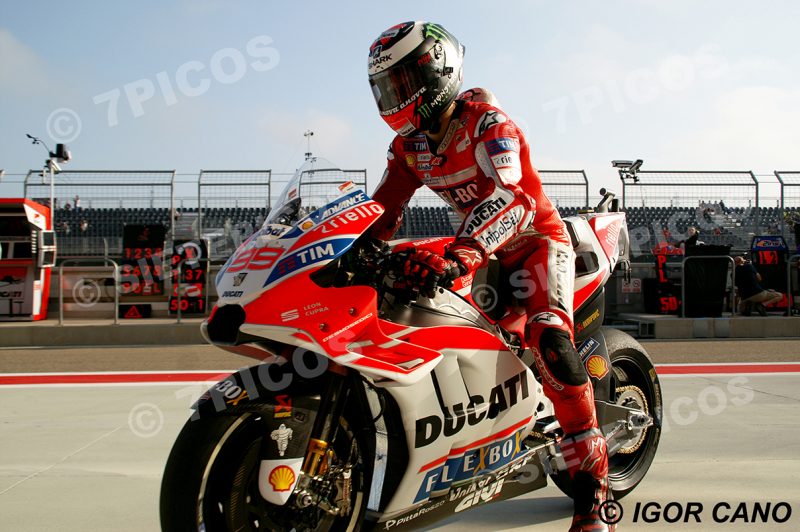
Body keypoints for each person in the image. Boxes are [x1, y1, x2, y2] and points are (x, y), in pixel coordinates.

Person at [366, 21, 611, 531]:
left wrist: (464, 251)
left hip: (537, 245)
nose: (398, 98)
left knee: (550, 340)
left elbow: (514, 198)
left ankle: (594, 494)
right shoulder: (408, 147)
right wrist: (349, 251)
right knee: (446, 333)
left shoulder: (488, 123)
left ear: (439, 71)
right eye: (388, 88)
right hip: (484, 257)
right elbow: (384, 209)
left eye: (405, 83)